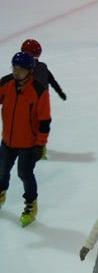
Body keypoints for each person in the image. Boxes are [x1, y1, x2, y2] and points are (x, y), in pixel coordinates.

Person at [0, 52, 51, 227]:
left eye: (20, 70)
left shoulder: (38, 91)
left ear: (30, 70)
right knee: (2, 169)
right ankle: (1, 192)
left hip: (28, 144)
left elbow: (44, 121)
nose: (16, 72)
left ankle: (31, 205)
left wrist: (40, 145)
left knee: (24, 174)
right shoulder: (6, 83)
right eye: (14, 68)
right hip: (8, 140)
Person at [20, 39, 65, 161]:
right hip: (43, 104)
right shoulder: (43, 67)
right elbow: (52, 81)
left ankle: (34, 148)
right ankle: (40, 148)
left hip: (30, 104)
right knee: (40, 125)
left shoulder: (25, 70)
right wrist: (60, 92)